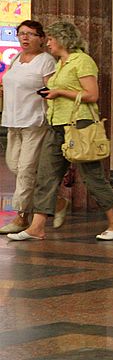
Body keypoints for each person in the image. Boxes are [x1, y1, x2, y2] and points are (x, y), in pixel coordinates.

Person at [7, 21, 113, 242]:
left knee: (93, 177)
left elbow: (92, 94)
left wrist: (59, 91)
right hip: (57, 125)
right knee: (46, 176)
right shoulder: (61, 63)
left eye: (51, 39)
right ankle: (37, 227)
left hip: (80, 125)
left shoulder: (82, 61)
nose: (48, 43)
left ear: (63, 39)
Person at [0, 21, 57, 234]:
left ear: (41, 38)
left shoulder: (45, 61)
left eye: (30, 34)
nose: (25, 38)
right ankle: (56, 202)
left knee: (25, 171)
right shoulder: (16, 59)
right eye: (21, 34)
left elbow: (52, 91)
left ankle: (22, 217)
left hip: (34, 122)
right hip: (12, 121)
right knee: (14, 165)